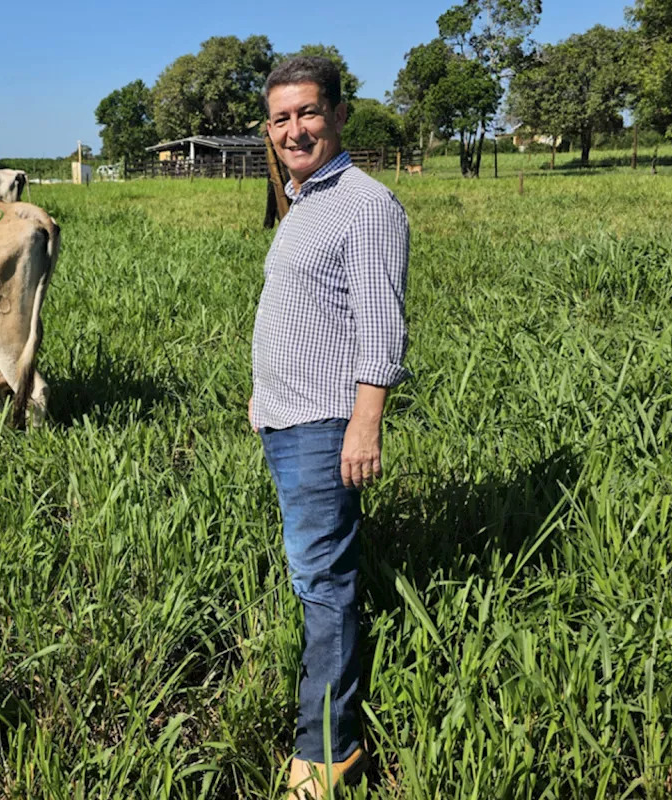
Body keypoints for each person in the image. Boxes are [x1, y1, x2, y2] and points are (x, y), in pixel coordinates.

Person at [249, 55, 411, 799]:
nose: (294, 129)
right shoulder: (303, 200)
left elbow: (382, 326)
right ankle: (329, 734)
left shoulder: (365, 203)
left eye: (308, 113)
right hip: (287, 421)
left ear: (341, 115)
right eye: (281, 118)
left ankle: (328, 753)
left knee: (324, 585)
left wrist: (364, 423)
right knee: (317, 577)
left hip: (323, 424)